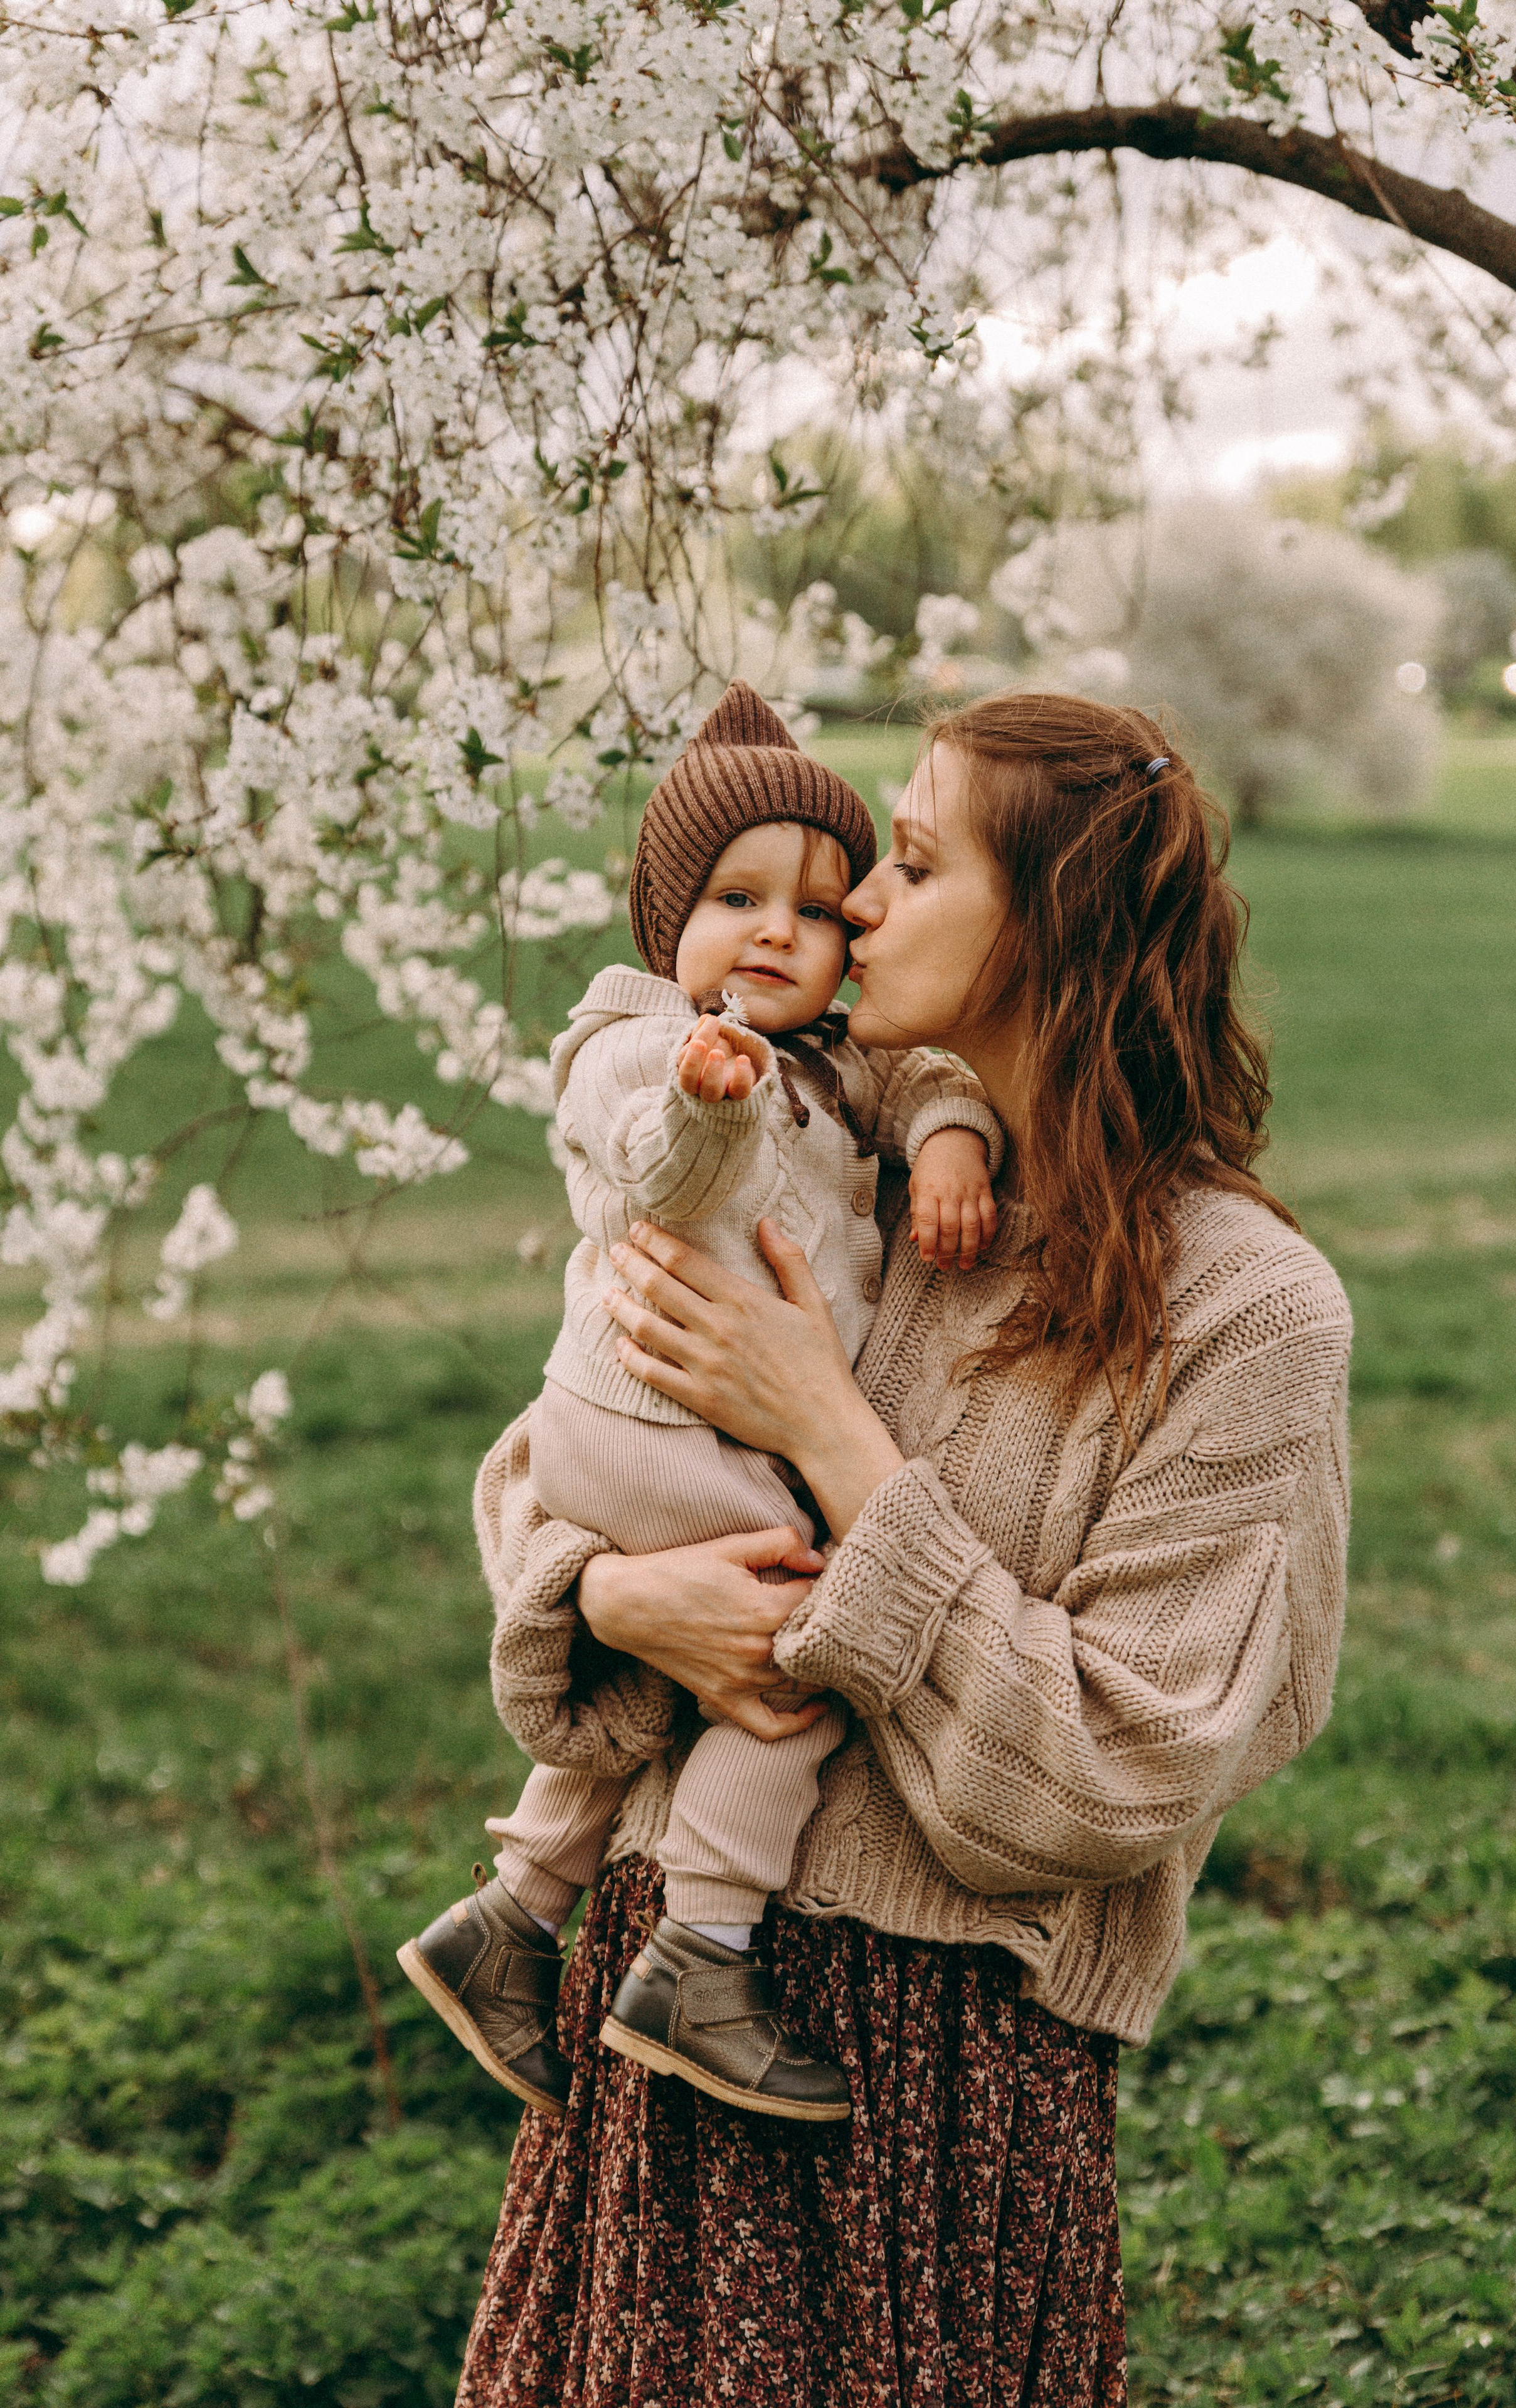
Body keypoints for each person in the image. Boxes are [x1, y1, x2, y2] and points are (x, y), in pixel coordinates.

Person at [455, 691, 1352, 2408]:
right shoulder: (820, 1165)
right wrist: (613, 1600)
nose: (852, 904)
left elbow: (1108, 1770)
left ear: (1053, 933)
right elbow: (552, 1455)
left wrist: (834, 1437)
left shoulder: (1246, 1311)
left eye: (915, 865)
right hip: (655, 2012)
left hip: (934, 2098)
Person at [398, 681, 1001, 2124]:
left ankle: (511, 1913)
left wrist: (954, 1140)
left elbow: (926, 1078)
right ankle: (700, 1954)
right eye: (736, 899)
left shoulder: (834, 1064)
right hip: (645, 1423)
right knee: (806, 1646)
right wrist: (705, 1100)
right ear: (666, 920)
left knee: (682, 1670)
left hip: (674, 1434)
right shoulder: (638, 1046)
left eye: (814, 909)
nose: (776, 933)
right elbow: (655, 1171)